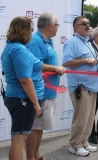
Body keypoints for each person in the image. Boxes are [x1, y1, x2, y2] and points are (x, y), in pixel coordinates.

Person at [1, 16, 64, 160]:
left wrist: (56, 68)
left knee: (19, 137)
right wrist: (36, 104)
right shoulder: (19, 50)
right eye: (30, 29)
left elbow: (38, 64)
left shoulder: (16, 47)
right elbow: (24, 79)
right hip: (22, 99)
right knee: (19, 140)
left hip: (19, 97)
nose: (32, 32)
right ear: (24, 31)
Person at [62, 16, 98, 157]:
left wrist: (97, 60)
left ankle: (84, 142)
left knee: (89, 117)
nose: (87, 26)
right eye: (84, 24)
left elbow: (91, 62)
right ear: (76, 27)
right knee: (81, 117)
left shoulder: (87, 42)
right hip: (81, 86)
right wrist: (86, 60)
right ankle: (75, 145)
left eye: (88, 23)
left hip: (92, 85)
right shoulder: (72, 42)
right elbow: (66, 63)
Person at [26, 12, 63, 160]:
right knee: (34, 127)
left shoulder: (48, 40)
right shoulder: (35, 41)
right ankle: (31, 157)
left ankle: (36, 154)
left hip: (48, 91)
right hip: (40, 91)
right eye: (57, 25)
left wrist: (55, 69)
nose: (58, 27)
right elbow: (36, 66)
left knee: (40, 126)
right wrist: (56, 69)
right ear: (50, 26)